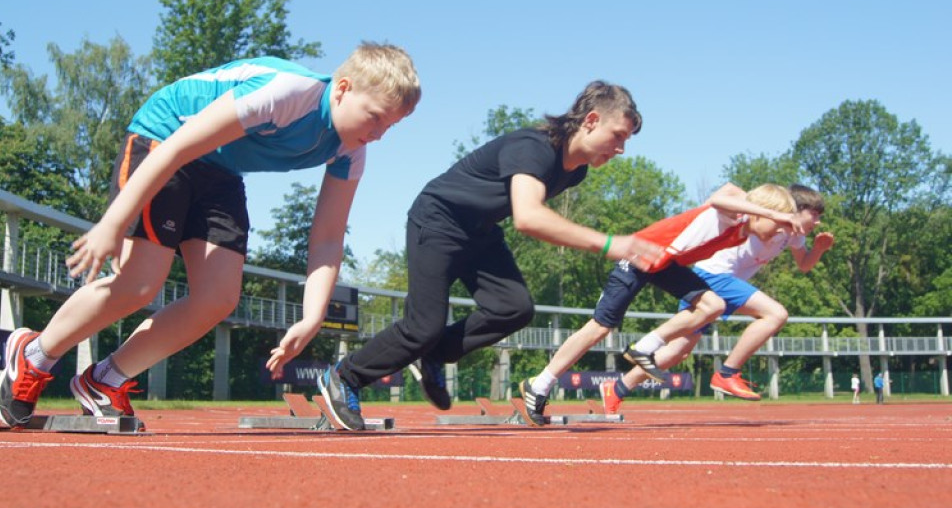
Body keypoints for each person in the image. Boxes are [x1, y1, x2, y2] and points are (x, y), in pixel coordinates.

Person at [0, 43, 421, 427]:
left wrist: (312, 318)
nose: (380, 134)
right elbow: (180, 146)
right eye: (376, 118)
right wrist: (112, 222)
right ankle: (33, 354)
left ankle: (106, 379)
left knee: (218, 298)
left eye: (392, 127)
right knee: (139, 283)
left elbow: (327, 238)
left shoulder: (352, 150)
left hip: (220, 170)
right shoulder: (289, 93)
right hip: (165, 137)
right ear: (343, 88)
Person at [317, 81, 664, 430]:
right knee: (423, 326)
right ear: (590, 120)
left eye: (627, 140)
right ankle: (345, 377)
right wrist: (609, 243)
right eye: (618, 135)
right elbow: (528, 217)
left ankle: (436, 353)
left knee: (513, 308)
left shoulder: (576, 172)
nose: (621, 149)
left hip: (480, 231)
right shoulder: (536, 147)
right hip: (438, 219)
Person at [519, 183, 807, 426]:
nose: (782, 230)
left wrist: (782, 221)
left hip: (664, 264)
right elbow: (720, 197)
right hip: (637, 256)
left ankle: (644, 347)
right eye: (780, 222)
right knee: (600, 327)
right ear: (763, 211)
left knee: (713, 306)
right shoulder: (734, 216)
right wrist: (769, 210)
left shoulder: (746, 232)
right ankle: (539, 384)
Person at [599, 184, 833, 410]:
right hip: (715, 274)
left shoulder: (795, 236)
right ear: (795, 210)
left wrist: (819, 249)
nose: (818, 221)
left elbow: (804, 265)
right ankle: (728, 373)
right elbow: (727, 194)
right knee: (775, 314)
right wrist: (765, 210)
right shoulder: (763, 217)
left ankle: (617, 389)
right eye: (814, 215)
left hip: (730, 283)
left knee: (677, 351)